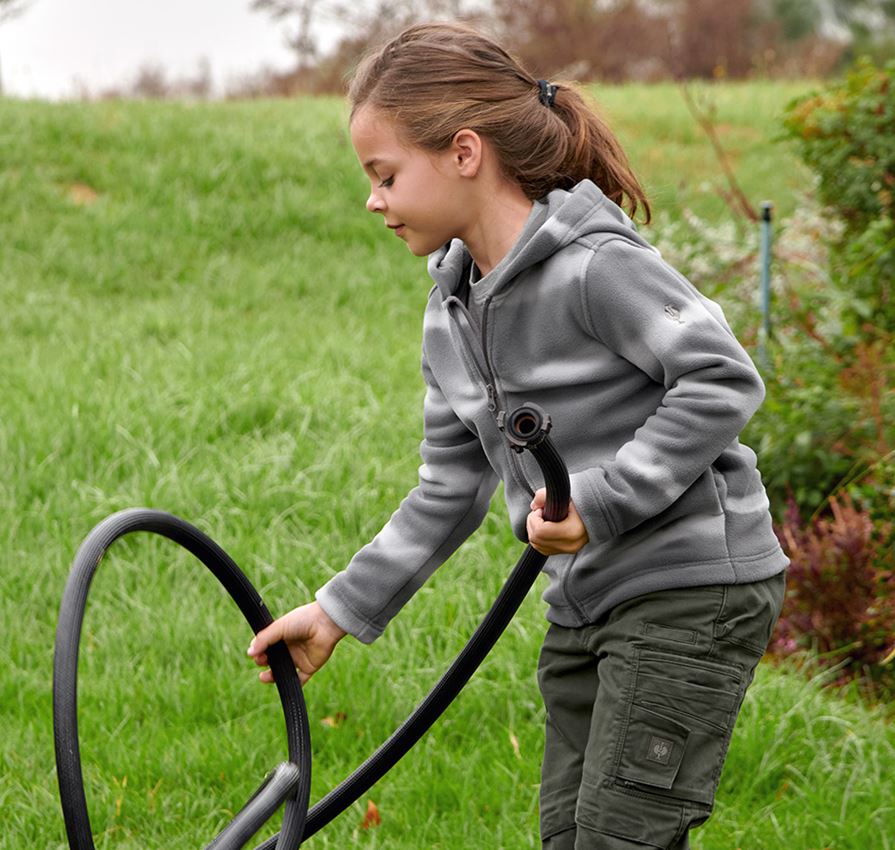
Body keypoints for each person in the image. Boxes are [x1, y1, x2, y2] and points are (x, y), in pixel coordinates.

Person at [246, 20, 789, 850]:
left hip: (690, 584)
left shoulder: (594, 265)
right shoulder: (450, 315)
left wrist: (600, 502)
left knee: (619, 836)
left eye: (385, 174)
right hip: (585, 601)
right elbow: (449, 488)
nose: (372, 199)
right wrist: (338, 610)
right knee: (569, 835)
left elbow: (721, 377)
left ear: (465, 153)